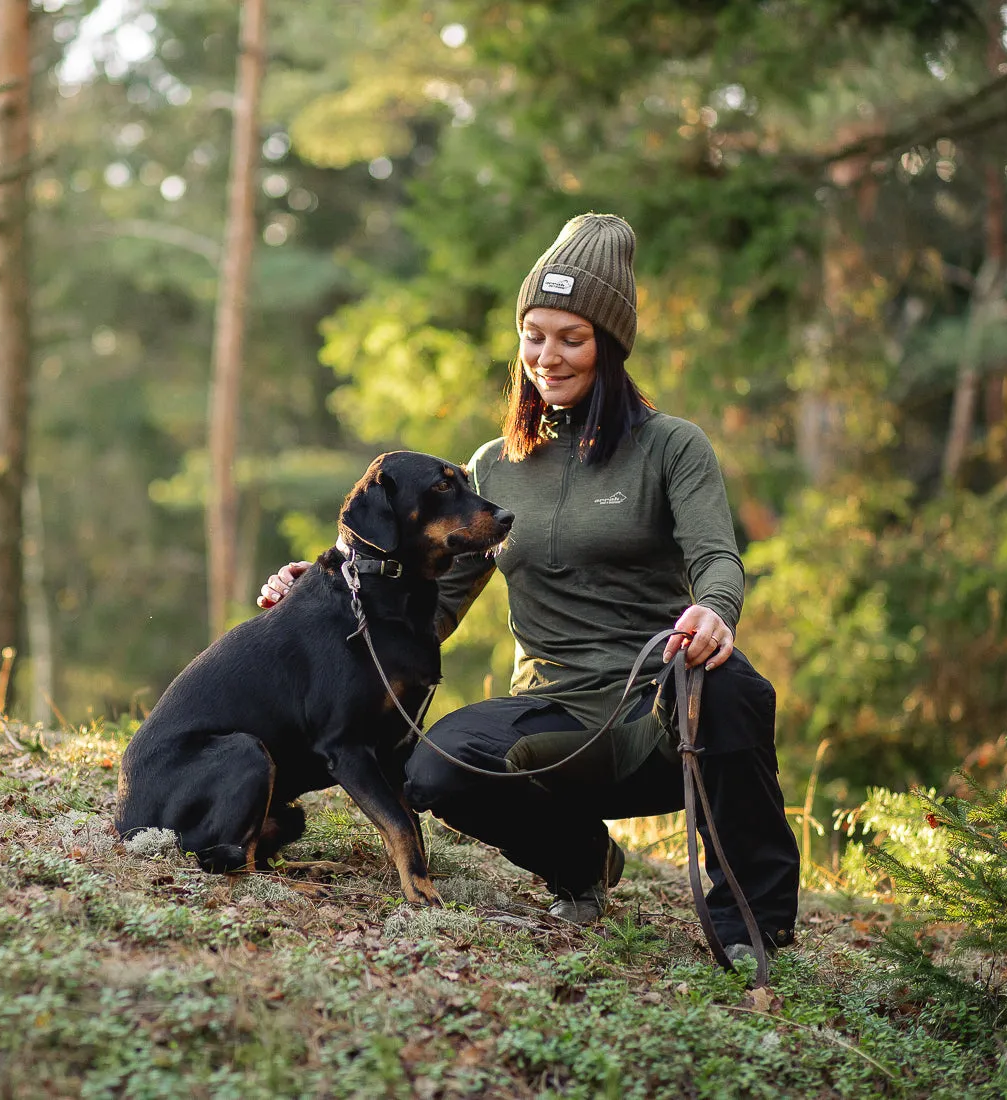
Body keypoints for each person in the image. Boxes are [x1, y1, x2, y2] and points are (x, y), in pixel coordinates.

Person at [259, 213, 799, 964]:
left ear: (608, 345)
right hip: (555, 721)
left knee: (732, 684)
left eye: (571, 337)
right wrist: (325, 593)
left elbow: (718, 559)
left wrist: (713, 610)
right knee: (435, 767)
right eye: (534, 334)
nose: (548, 356)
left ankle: (752, 927)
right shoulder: (494, 469)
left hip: (658, 711)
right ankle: (582, 864)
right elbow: (429, 610)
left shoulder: (673, 447)